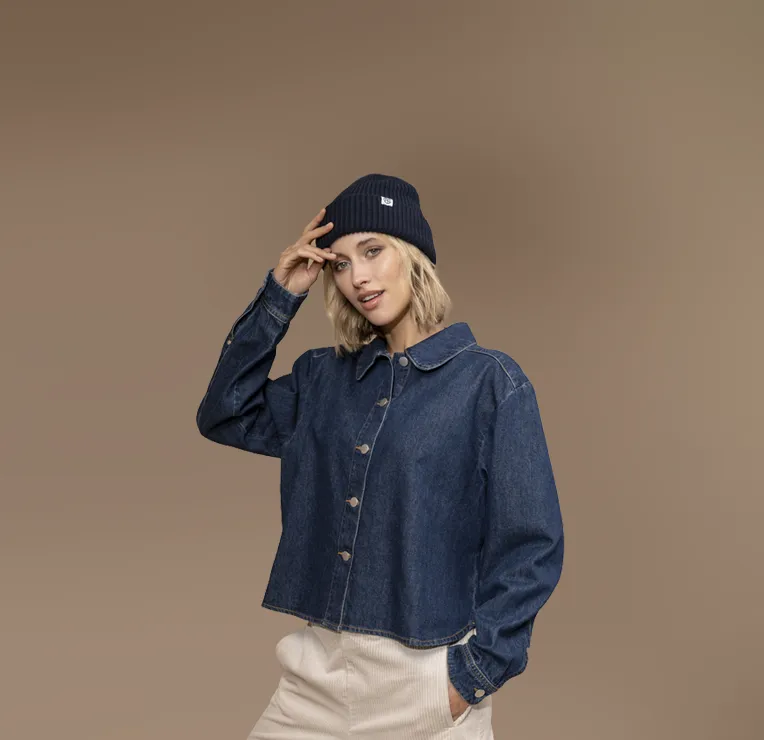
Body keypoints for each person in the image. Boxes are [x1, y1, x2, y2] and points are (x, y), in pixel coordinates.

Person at [195, 174, 565, 739]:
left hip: (424, 682)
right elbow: (225, 412)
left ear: (412, 255)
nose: (358, 277)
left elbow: (531, 544)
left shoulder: (489, 383)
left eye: (373, 251)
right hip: (314, 678)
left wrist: (472, 678)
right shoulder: (323, 379)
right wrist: (280, 295)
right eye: (340, 263)